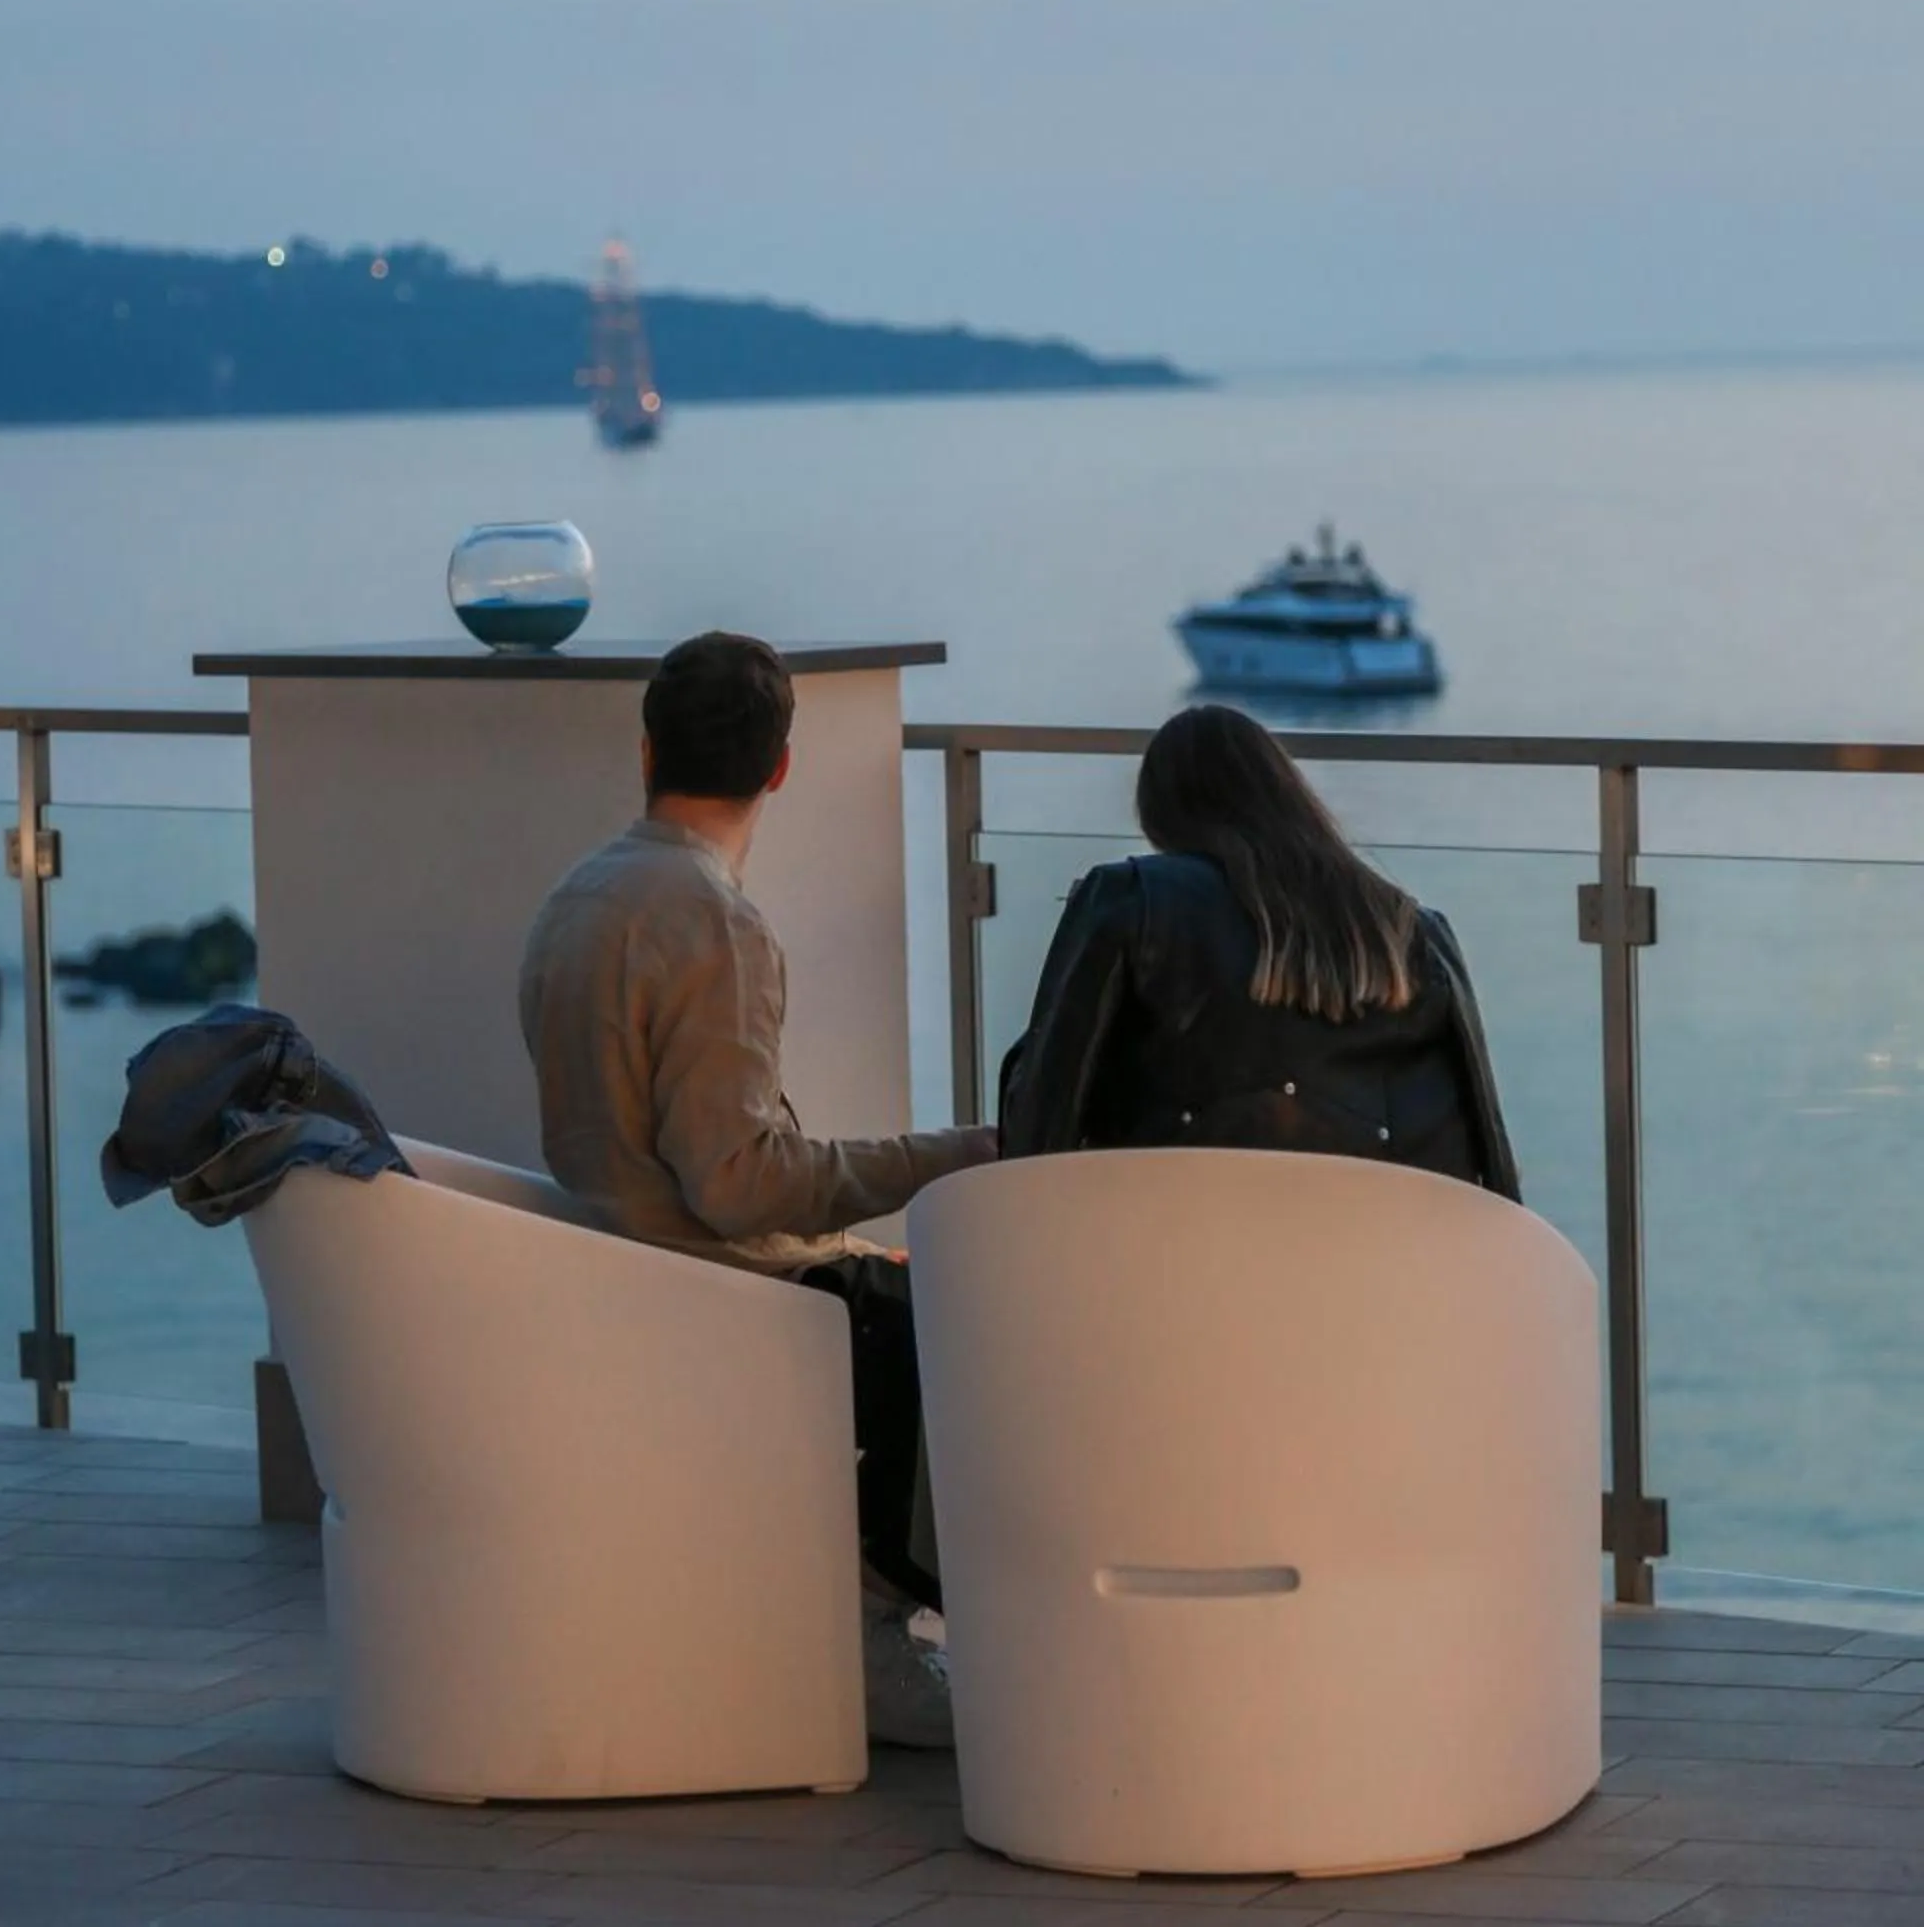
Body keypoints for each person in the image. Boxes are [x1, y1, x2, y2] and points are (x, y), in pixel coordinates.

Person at [518, 629, 996, 1746]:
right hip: (711, 1286)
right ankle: (872, 1627)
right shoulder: (711, 925)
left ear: (645, 749)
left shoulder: (577, 896)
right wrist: (963, 1155)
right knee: (961, 1313)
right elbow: (737, 1188)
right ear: (781, 766)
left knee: (899, 1279)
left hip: (612, 1261)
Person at [997, 700, 1518, 1192]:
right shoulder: (1415, 934)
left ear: (1160, 815)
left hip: (1166, 1264)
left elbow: (1040, 1129)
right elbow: (1491, 1162)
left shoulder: (1132, 900)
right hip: (1389, 1271)